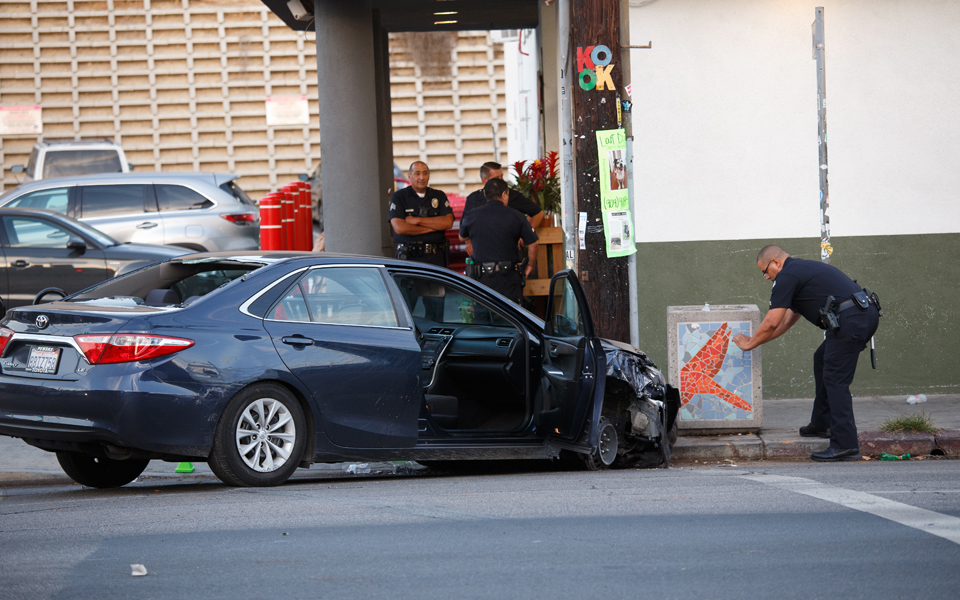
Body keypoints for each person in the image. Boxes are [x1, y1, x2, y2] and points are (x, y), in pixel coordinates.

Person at [732, 245, 881, 462]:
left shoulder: (786, 276)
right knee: (822, 360)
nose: (765, 277)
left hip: (851, 320)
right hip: (860, 316)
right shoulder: (800, 271)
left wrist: (750, 343)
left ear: (776, 263)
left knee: (836, 380)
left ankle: (845, 445)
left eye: (765, 271)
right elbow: (785, 321)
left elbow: (772, 321)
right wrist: (758, 341)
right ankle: (822, 424)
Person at [459, 178, 538, 304]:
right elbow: (533, 244)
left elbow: (462, 237)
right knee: (511, 319)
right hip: (508, 279)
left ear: (485, 195)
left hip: (481, 279)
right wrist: (530, 266)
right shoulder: (516, 215)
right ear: (504, 194)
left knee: (483, 318)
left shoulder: (471, 215)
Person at [388, 161, 454, 267]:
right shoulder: (399, 197)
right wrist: (435, 227)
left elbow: (448, 222)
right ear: (409, 176)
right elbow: (400, 228)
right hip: (409, 258)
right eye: (417, 173)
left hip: (435, 258)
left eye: (425, 173)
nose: (422, 177)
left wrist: (418, 221)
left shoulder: (439, 196)